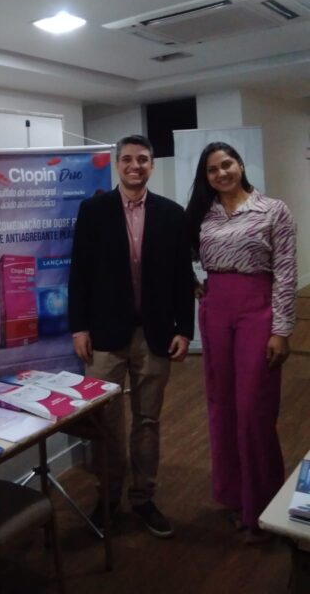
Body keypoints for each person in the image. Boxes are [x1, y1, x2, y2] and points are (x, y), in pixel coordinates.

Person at [68, 135, 194, 538]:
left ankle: (143, 498)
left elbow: (182, 277)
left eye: (142, 159)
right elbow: (79, 272)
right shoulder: (94, 211)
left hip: (155, 335)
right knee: (105, 423)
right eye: (127, 159)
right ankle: (108, 498)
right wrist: (79, 327)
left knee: (148, 421)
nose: (134, 165)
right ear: (116, 164)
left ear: (151, 165)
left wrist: (185, 329)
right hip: (104, 336)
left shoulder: (172, 214)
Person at [185, 142, 296, 544]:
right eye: (212, 169)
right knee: (222, 406)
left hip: (257, 311)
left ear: (241, 164)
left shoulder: (273, 210)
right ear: (207, 177)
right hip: (216, 311)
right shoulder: (203, 214)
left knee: (253, 409)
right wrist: (192, 282)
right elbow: (172, 252)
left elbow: (286, 272)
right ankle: (235, 498)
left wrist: (281, 330)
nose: (221, 173)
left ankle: (263, 506)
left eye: (226, 164)